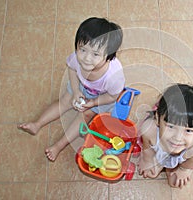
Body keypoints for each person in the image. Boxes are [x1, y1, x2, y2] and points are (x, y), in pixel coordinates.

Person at [17, 17, 124, 161]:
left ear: (108, 56)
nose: (86, 58)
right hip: (81, 86)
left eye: (96, 54)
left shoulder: (114, 77)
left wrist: (92, 103)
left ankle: (58, 146)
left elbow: (112, 97)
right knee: (65, 101)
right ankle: (37, 124)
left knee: (85, 115)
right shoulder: (76, 59)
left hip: (102, 97)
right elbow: (72, 71)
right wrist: (76, 92)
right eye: (83, 49)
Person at [137, 84, 193, 188]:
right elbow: (147, 148)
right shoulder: (149, 131)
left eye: (188, 130)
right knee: (149, 171)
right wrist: (148, 159)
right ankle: (161, 162)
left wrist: (183, 169)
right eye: (170, 126)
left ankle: (171, 165)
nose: (177, 138)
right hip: (160, 144)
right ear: (157, 119)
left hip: (183, 155)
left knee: (174, 182)